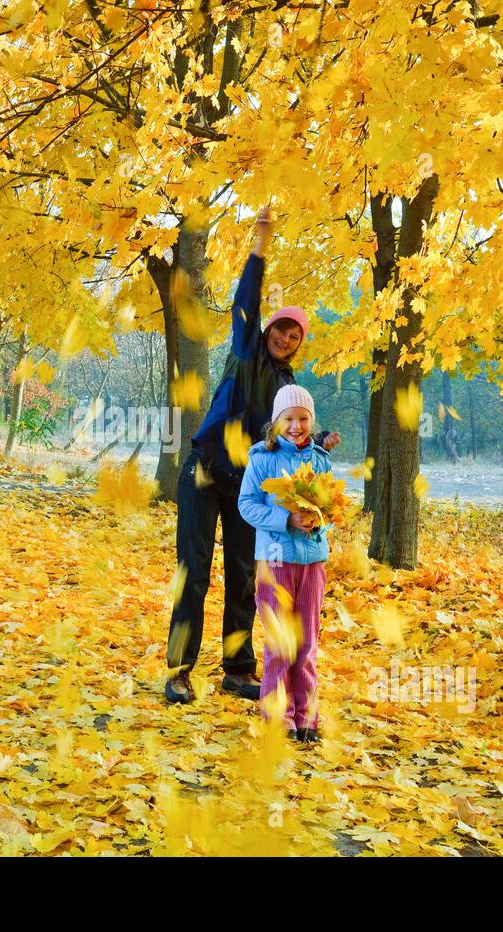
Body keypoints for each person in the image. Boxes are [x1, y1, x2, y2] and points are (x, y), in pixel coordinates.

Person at [164, 207, 340, 705]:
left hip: (248, 485)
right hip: (205, 470)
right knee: (194, 573)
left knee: (244, 576)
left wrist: (318, 440)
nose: (284, 337)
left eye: (294, 335)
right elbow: (246, 302)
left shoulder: (288, 387)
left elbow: (291, 433)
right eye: (280, 329)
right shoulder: (245, 353)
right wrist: (259, 245)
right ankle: (179, 672)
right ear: (267, 332)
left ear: (299, 344)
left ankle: (238, 670)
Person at [237, 385, 330, 742]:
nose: (296, 425)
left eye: (303, 418)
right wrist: (284, 519)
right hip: (274, 560)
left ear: (311, 421)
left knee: (306, 643)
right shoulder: (261, 458)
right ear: (276, 422)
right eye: (288, 418)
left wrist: (320, 519)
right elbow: (247, 505)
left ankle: (307, 714)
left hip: (311, 561)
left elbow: (331, 505)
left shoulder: (320, 459)